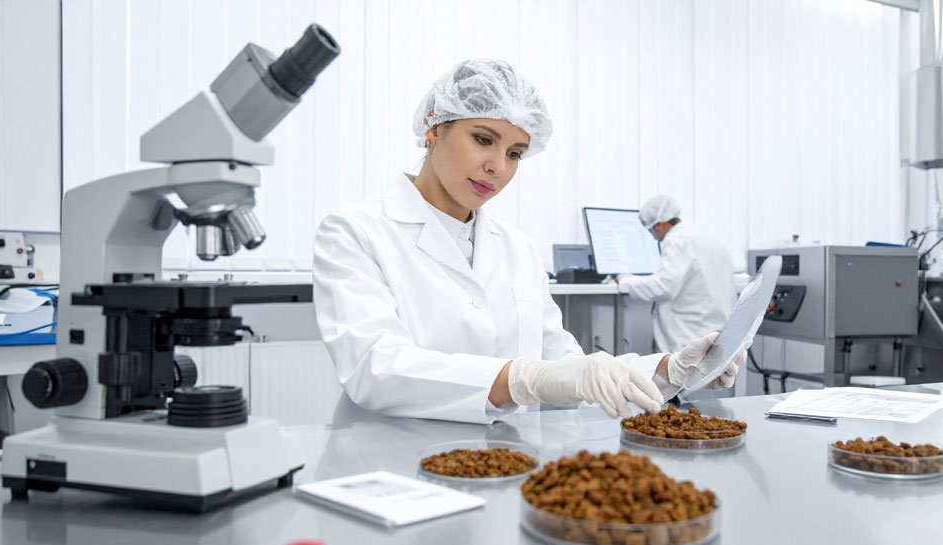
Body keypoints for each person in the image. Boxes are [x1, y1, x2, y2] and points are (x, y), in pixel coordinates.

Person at [313, 59, 744, 424]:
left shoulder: (516, 248)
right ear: (433, 127)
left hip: (509, 469)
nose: (497, 167)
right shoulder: (355, 231)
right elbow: (376, 368)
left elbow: (567, 369)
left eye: (515, 153)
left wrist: (671, 369)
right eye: (483, 139)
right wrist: (519, 379)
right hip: (396, 468)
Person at [616, 195, 737, 354]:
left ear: (659, 225)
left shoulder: (677, 241)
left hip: (689, 338)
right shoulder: (705, 237)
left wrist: (625, 281)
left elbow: (663, 287)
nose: (654, 238)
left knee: (681, 377)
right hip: (718, 335)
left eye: (651, 231)